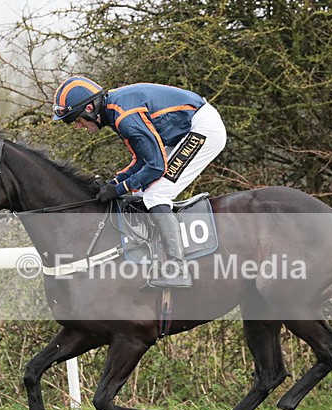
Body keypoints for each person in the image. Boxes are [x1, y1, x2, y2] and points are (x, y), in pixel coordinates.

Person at [52, 76, 227, 288]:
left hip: (203, 128)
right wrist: (114, 182)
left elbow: (156, 167)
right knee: (140, 194)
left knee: (156, 195)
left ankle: (178, 269)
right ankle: (155, 260)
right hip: (185, 131)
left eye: (75, 119)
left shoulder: (124, 117)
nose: (77, 126)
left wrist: (119, 189)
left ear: (90, 108)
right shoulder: (115, 111)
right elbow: (142, 161)